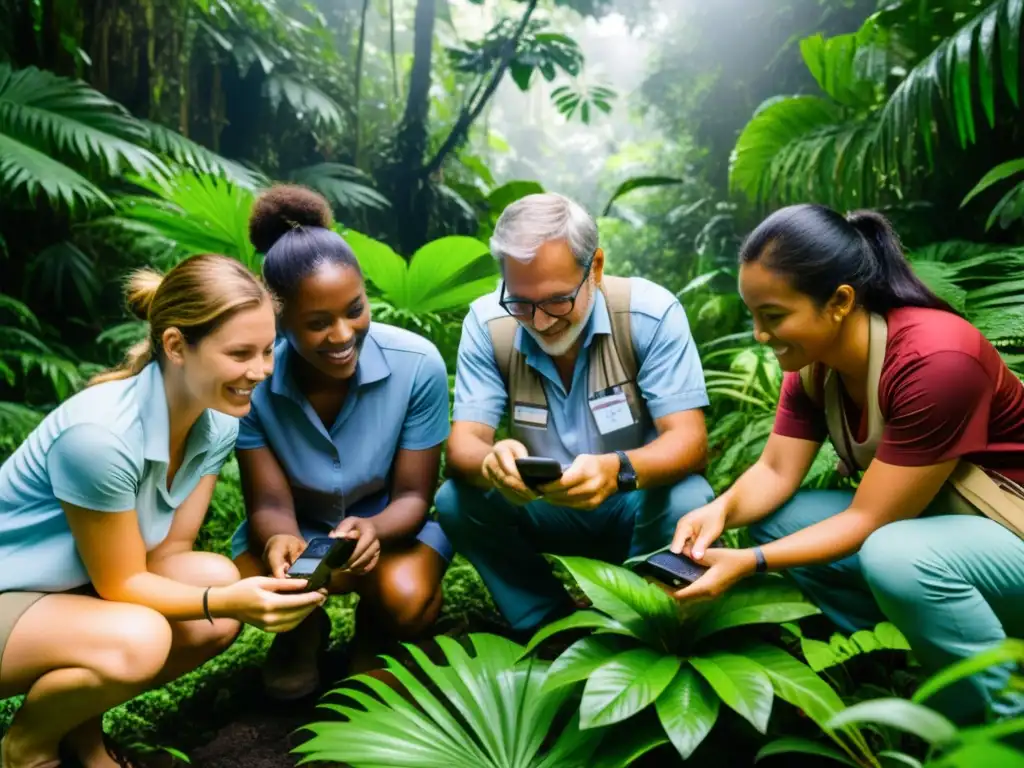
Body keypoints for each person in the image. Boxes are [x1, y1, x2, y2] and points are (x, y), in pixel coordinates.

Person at [670, 203, 1024, 723]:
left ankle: (998, 726)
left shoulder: (936, 360)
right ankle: (892, 660)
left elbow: (870, 520)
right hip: (946, 528)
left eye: (773, 316)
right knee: (777, 518)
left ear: (838, 302)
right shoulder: (814, 366)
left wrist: (750, 562)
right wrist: (719, 512)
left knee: (895, 555)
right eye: (754, 315)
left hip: (1007, 533)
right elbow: (774, 473)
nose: (759, 335)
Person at [0, 254, 328, 768]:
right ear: (176, 345)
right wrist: (232, 600)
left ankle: (77, 731)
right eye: (240, 353)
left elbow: (170, 549)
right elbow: (123, 585)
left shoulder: (217, 421)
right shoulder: (100, 437)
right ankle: (27, 748)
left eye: (267, 350)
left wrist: (230, 597)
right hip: (10, 594)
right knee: (144, 636)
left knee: (210, 591)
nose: (260, 371)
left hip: (68, 592)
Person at [436, 192, 715, 637]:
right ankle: (546, 622)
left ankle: (637, 618)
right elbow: (464, 446)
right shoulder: (488, 324)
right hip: (543, 504)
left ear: (597, 268)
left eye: (558, 301)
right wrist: (495, 460)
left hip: (632, 502)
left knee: (688, 498)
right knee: (455, 500)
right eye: (521, 302)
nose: (541, 321)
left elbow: (690, 442)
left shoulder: (649, 314)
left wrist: (617, 470)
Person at [231, 185, 452, 701]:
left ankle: (377, 631)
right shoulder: (253, 383)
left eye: (354, 309)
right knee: (245, 579)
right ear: (280, 321)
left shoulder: (417, 365)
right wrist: (279, 540)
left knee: (406, 597)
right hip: (301, 526)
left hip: (390, 526)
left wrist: (375, 527)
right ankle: (302, 631)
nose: (342, 334)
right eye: (317, 323)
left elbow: (415, 496)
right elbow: (266, 501)